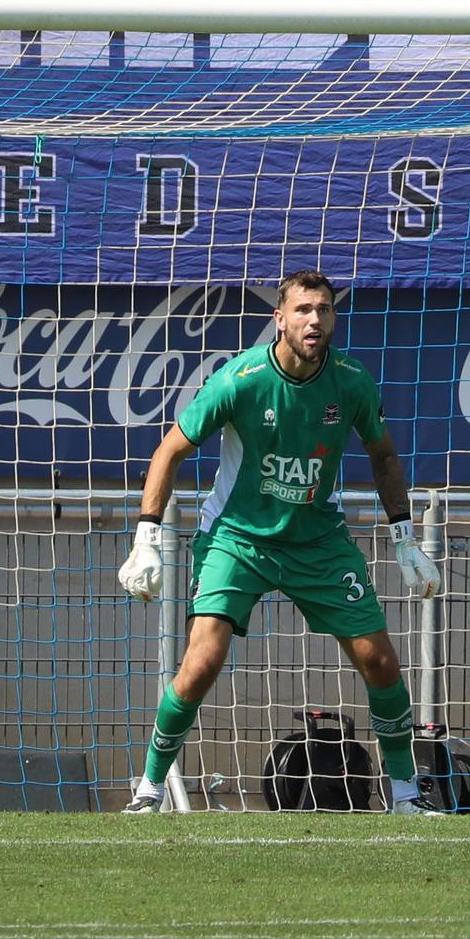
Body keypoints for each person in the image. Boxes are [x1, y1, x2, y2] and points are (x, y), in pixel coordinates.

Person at [114, 272, 438, 818]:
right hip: (237, 539)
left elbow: (383, 455)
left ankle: (406, 793)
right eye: (304, 309)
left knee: (380, 661)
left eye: (325, 310)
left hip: (318, 540)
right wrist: (146, 538)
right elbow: (169, 451)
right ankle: (149, 788)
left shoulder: (351, 381)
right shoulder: (238, 380)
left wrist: (404, 537)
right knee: (201, 663)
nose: (315, 320)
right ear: (280, 319)